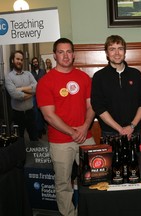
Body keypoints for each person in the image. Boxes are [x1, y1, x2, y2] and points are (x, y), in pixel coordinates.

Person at [36, 38, 96, 216]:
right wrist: (73, 131)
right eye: (61, 52)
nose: (65, 55)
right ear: (55, 55)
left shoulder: (84, 77)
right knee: (63, 183)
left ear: (74, 54)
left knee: (94, 178)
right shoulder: (45, 82)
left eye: (68, 51)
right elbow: (49, 115)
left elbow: (92, 106)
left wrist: (84, 127)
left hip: (86, 136)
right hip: (60, 141)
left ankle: (88, 211)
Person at [91, 35, 141, 140]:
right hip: (110, 134)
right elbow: (98, 106)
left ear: (125, 52)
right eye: (112, 49)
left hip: (134, 132)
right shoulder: (99, 77)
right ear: (107, 53)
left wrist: (131, 126)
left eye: (120, 49)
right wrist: (120, 129)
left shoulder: (135, 74)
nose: (117, 53)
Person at [5, 50, 38, 141]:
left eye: (21, 59)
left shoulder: (28, 74)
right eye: (17, 59)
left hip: (30, 113)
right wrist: (32, 93)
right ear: (12, 60)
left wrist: (22, 88)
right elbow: (16, 95)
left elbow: (37, 87)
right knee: (19, 140)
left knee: (34, 138)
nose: (19, 61)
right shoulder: (9, 77)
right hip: (17, 115)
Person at [31, 57, 47, 138]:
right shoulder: (30, 73)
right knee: (36, 113)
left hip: (43, 94)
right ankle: (39, 130)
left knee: (43, 112)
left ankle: (43, 127)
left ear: (38, 63)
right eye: (33, 62)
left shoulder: (43, 71)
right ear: (32, 64)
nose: (35, 63)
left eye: (36, 62)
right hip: (34, 95)